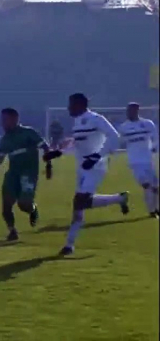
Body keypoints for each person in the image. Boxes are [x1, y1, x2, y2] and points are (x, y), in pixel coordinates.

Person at [43, 93, 129, 255]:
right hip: (82, 167)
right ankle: (120, 198)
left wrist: (97, 156)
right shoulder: (77, 122)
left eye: (71, 104)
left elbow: (115, 138)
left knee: (79, 202)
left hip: (96, 167)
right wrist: (58, 153)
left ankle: (69, 245)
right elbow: (78, 145)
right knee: (80, 204)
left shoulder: (97, 119)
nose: (68, 108)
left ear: (80, 105)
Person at [0, 108, 52, 240]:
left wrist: (49, 164)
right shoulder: (5, 139)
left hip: (28, 174)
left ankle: (32, 209)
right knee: (6, 205)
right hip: (12, 174)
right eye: (2, 120)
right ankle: (12, 231)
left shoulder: (29, 133)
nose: (2, 123)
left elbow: (45, 147)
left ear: (15, 119)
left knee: (24, 204)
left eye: (5, 120)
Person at [118, 103, 158, 218]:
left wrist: (154, 147)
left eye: (131, 110)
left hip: (148, 161)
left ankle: (154, 210)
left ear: (137, 111)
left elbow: (155, 138)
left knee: (154, 187)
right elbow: (120, 141)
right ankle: (152, 210)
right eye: (128, 110)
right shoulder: (123, 127)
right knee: (146, 185)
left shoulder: (147, 124)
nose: (129, 113)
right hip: (135, 162)